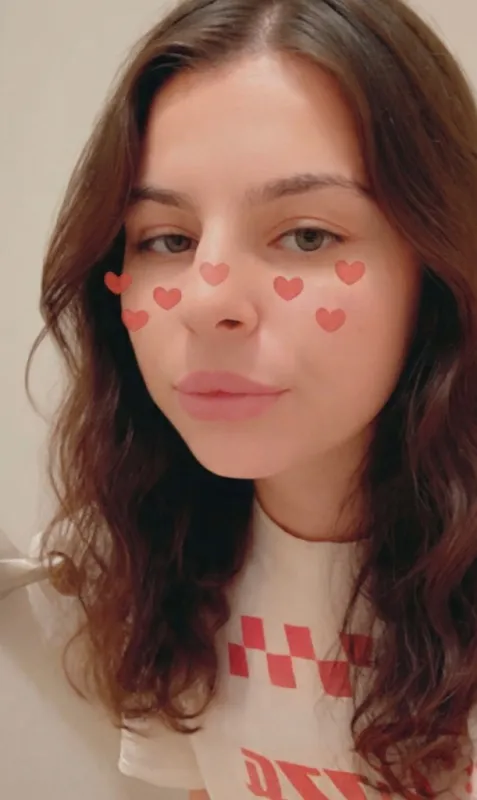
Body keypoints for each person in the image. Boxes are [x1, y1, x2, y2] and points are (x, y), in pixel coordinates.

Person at [26, 0, 477, 797]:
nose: (207, 301)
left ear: (436, 269)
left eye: (306, 235)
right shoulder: (152, 551)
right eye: (167, 239)